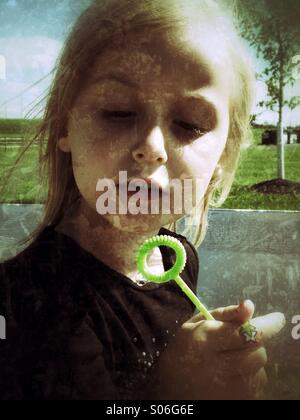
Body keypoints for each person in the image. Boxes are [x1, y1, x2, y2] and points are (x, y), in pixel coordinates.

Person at [0, 0, 285, 400]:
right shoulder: (24, 302)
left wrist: (215, 361)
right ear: (67, 124)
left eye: (189, 125)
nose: (151, 148)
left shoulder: (176, 259)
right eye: (118, 112)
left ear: (222, 159)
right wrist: (169, 388)